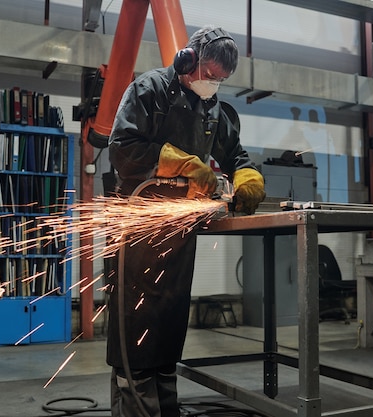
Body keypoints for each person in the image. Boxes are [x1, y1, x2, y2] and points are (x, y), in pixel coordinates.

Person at [106, 25, 266, 417]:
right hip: (139, 227)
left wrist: (248, 178)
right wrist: (182, 163)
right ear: (187, 59)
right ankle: (136, 409)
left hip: (180, 231)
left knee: (169, 322)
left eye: (220, 80)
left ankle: (165, 407)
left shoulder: (216, 110)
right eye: (209, 75)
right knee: (137, 326)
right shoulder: (150, 91)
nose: (212, 84)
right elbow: (122, 148)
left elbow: (236, 156)